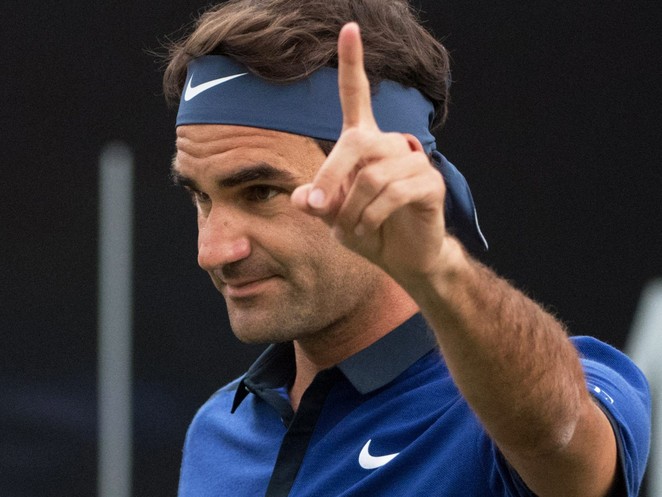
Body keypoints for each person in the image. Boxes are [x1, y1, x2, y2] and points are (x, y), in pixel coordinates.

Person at [163, 0, 650, 495]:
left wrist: (435, 267)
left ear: (392, 172)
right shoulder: (216, 432)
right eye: (201, 197)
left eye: (262, 192)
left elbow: (558, 438)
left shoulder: (539, 403)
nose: (213, 251)